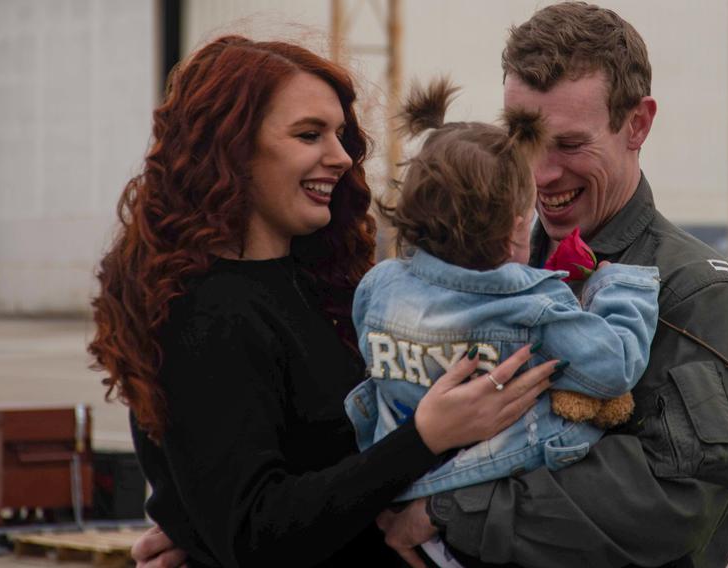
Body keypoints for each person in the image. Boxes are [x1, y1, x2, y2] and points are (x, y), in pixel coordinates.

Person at [89, 35, 559, 567]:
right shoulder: (205, 313)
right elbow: (257, 532)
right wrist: (424, 437)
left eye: (339, 134)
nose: (339, 157)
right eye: (309, 134)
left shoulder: (328, 284)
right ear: (232, 148)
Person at [376, 3, 728, 567]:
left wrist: (452, 510)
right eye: (523, 141)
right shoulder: (491, 271)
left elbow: (672, 497)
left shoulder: (699, 296)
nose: (540, 174)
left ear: (637, 124)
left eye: (569, 146)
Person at [347, 78, 660, 505]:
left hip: (396, 479)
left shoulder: (379, 285)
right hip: (477, 488)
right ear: (517, 224)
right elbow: (615, 367)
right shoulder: (531, 307)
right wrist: (620, 287)